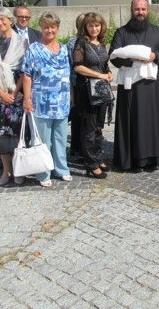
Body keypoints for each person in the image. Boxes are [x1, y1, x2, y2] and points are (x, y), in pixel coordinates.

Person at [109, 0, 159, 171]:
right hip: (131, 87)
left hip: (153, 87)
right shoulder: (121, 32)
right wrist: (134, 62)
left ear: (148, 10)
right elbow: (113, 56)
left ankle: (153, 158)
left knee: (152, 121)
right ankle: (132, 159)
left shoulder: (158, 32)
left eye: (143, 9)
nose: (140, 12)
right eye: (137, 9)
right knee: (132, 121)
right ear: (132, 10)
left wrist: (153, 57)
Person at [22, 12, 72, 187]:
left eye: (52, 26)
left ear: (57, 28)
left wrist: (70, 96)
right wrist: (27, 99)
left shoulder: (64, 49)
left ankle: (61, 168)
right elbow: (27, 75)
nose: (49, 30)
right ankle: (43, 172)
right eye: (46, 27)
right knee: (43, 140)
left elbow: (68, 74)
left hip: (62, 100)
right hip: (41, 101)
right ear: (41, 28)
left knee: (60, 137)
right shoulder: (33, 49)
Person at [0, 7, 26, 186]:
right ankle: (5, 170)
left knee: (17, 134)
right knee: (2, 134)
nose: (0, 23)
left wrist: (14, 92)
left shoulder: (22, 42)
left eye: (3, 19)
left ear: (10, 20)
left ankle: (18, 169)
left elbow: (26, 70)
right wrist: (0, 93)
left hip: (16, 92)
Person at [72, 12, 113, 178]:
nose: (94, 28)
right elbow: (78, 67)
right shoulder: (81, 43)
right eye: (91, 25)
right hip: (87, 90)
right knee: (88, 127)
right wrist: (100, 76)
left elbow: (104, 65)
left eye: (97, 25)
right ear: (85, 27)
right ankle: (90, 164)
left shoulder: (101, 43)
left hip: (101, 91)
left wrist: (108, 73)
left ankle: (97, 157)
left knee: (98, 126)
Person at [68, 13, 86, 159]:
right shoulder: (73, 42)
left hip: (91, 84)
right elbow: (71, 66)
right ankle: (77, 148)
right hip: (77, 84)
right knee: (78, 118)